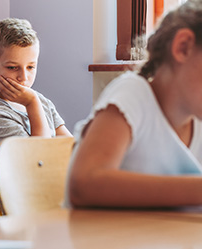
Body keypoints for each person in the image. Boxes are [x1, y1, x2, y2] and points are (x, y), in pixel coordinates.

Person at [67, 0, 202, 208]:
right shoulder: (132, 95)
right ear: (183, 47)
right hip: (101, 238)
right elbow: (85, 182)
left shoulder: (197, 121)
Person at [0, 18, 72, 146]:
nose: (24, 77)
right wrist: (31, 103)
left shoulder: (40, 100)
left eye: (30, 67)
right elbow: (37, 158)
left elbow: (71, 146)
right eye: (12, 68)